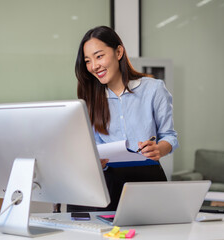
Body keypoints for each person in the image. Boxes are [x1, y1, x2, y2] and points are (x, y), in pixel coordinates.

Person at [67, 26, 178, 212]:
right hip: (109, 182)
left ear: (118, 52)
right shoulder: (91, 100)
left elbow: (169, 136)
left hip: (148, 179)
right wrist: (94, 158)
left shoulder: (153, 89)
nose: (94, 66)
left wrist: (158, 149)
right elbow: (93, 145)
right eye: (88, 61)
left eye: (99, 56)